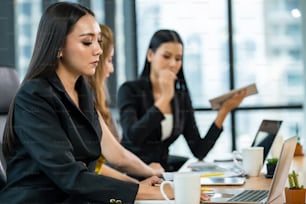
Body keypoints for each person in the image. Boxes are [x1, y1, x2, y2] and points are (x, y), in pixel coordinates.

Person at [0, 3, 172, 203]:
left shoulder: (83, 93)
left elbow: (91, 166)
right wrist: (145, 192)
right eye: (87, 42)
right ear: (58, 48)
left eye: (98, 41)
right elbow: (70, 176)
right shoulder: (34, 97)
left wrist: (140, 188)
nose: (98, 50)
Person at [118, 29, 247, 172]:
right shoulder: (129, 90)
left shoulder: (181, 96)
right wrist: (165, 98)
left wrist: (224, 111)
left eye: (178, 58)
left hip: (161, 173)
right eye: (166, 56)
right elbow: (132, 137)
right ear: (150, 55)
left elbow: (199, 150)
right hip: (132, 173)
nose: (173, 63)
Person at [88, 24, 164, 182]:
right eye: (109, 60)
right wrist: (140, 181)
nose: (111, 69)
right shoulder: (129, 90)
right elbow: (115, 158)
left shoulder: (95, 101)